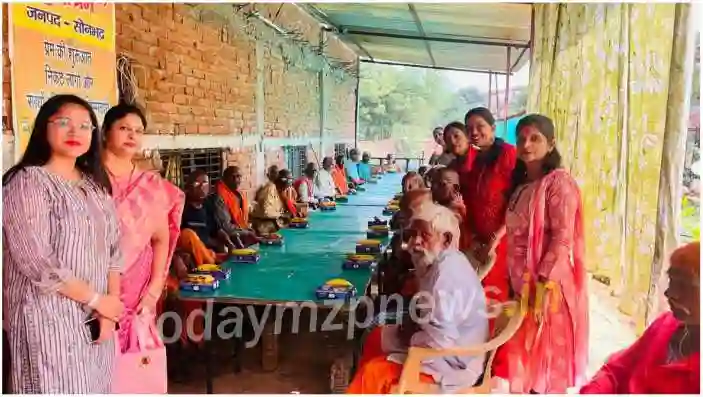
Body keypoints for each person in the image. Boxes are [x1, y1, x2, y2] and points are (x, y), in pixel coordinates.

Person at [2, 94, 124, 393]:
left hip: (95, 320)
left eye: (85, 126)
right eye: (64, 123)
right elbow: (36, 260)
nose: (75, 132)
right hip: (47, 319)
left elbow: (114, 252)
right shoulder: (28, 182)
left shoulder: (95, 186)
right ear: (45, 127)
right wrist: (96, 299)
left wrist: (110, 308)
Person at [347, 203, 488, 394]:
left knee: (371, 373)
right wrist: (413, 327)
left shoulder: (446, 275)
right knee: (375, 338)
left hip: (452, 363)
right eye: (413, 234)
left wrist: (412, 336)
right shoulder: (441, 261)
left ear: (446, 239)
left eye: (425, 235)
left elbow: (441, 342)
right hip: (443, 347)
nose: (415, 242)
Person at [502, 114, 588, 394]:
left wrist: (541, 286)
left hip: (546, 290)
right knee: (525, 362)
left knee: (545, 368)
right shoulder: (522, 185)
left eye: (535, 138)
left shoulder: (558, 184)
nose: (526, 144)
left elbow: (562, 239)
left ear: (551, 144)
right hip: (521, 287)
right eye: (521, 138)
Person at [101, 103, 185, 360]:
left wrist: (154, 288)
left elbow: (161, 239)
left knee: (134, 359)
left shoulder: (150, 185)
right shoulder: (85, 177)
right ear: (105, 132)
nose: (132, 136)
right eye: (124, 128)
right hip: (92, 285)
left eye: (138, 131)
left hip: (137, 289)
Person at [580, 241, 700, 394]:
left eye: (684, 285)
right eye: (671, 280)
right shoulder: (664, 324)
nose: (670, 293)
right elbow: (616, 371)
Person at [463, 107, 517, 377]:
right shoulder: (473, 159)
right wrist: (473, 237)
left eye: (480, 125)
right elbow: (471, 202)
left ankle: (494, 366)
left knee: (496, 300)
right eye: (469, 127)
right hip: (480, 242)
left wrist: (496, 238)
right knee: (477, 299)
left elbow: (516, 200)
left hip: (503, 241)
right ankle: (475, 357)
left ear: (493, 127)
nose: (474, 132)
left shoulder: (508, 154)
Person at [179, 170, 235, 266]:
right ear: (188, 187)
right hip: (193, 251)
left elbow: (217, 229)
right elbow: (182, 237)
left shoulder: (208, 204)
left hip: (210, 249)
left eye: (205, 183)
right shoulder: (182, 207)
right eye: (196, 184)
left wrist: (229, 243)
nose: (201, 187)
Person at [211, 166, 260, 247]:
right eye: (232, 176)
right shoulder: (219, 196)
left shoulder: (238, 193)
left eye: (238, 176)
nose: (236, 179)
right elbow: (225, 226)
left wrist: (248, 228)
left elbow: (244, 215)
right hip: (227, 235)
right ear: (224, 178)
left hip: (239, 230)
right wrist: (246, 231)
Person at [430, 167, 471, 251]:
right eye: (432, 183)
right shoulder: (442, 208)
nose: (433, 187)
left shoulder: (455, 214)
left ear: (455, 189)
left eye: (441, 184)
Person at [445, 121, 477, 192]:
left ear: (468, 137)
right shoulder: (451, 167)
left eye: (456, 136)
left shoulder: (483, 158)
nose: (452, 141)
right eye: (448, 139)